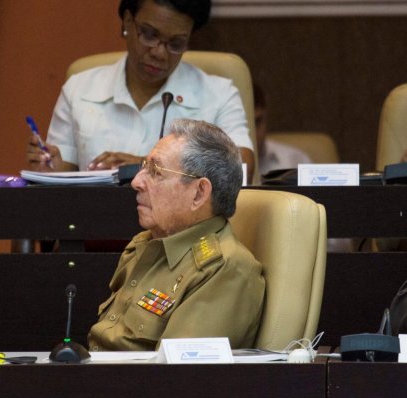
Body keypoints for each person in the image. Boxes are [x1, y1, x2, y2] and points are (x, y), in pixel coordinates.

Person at [88, 118, 265, 351]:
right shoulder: (146, 244)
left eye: (155, 171)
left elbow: (175, 379)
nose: (137, 182)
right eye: (143, 167)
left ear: (199, 193)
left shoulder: (224, 269)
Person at [27, 0, 254, 178]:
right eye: (150, 34)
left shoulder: (219, 95)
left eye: (175, 44)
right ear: (127, 21)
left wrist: (151, 165)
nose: (159, 53)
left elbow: (241, 168)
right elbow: (61, 176)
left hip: (185, 236)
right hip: (96, 231)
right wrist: (50, 168)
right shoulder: (80, 89)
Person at [254, 83, 311, 176]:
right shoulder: (222, 166)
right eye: (246, 125)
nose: (254, 134)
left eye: (257, 122)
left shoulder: (295, 160)